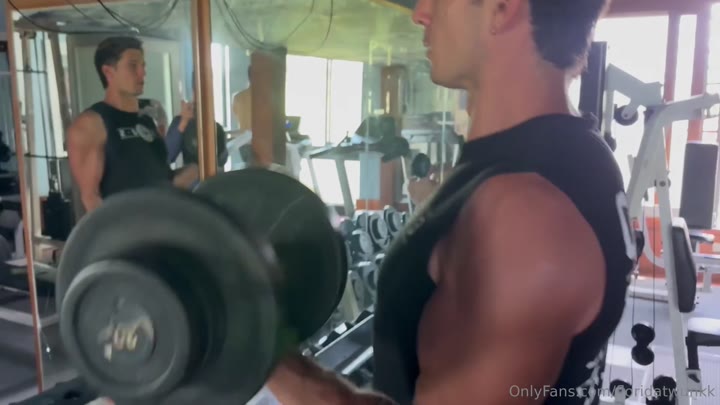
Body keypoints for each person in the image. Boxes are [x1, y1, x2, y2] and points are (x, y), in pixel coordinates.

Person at [266, 1, 636, 405]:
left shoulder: (524, 216)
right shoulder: (574, 157)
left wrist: (265, 351)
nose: (420, 13)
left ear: (502, 8)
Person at [67, 36, 198, 213]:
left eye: (143, 66)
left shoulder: (146, 121)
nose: (142, 73)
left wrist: (199, 169)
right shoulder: (92, 124)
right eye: (133, 65)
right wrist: (124, 231)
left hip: (162, 222)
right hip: (126, 226)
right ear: (108, 72)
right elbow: (90, 197)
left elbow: (163, 180)